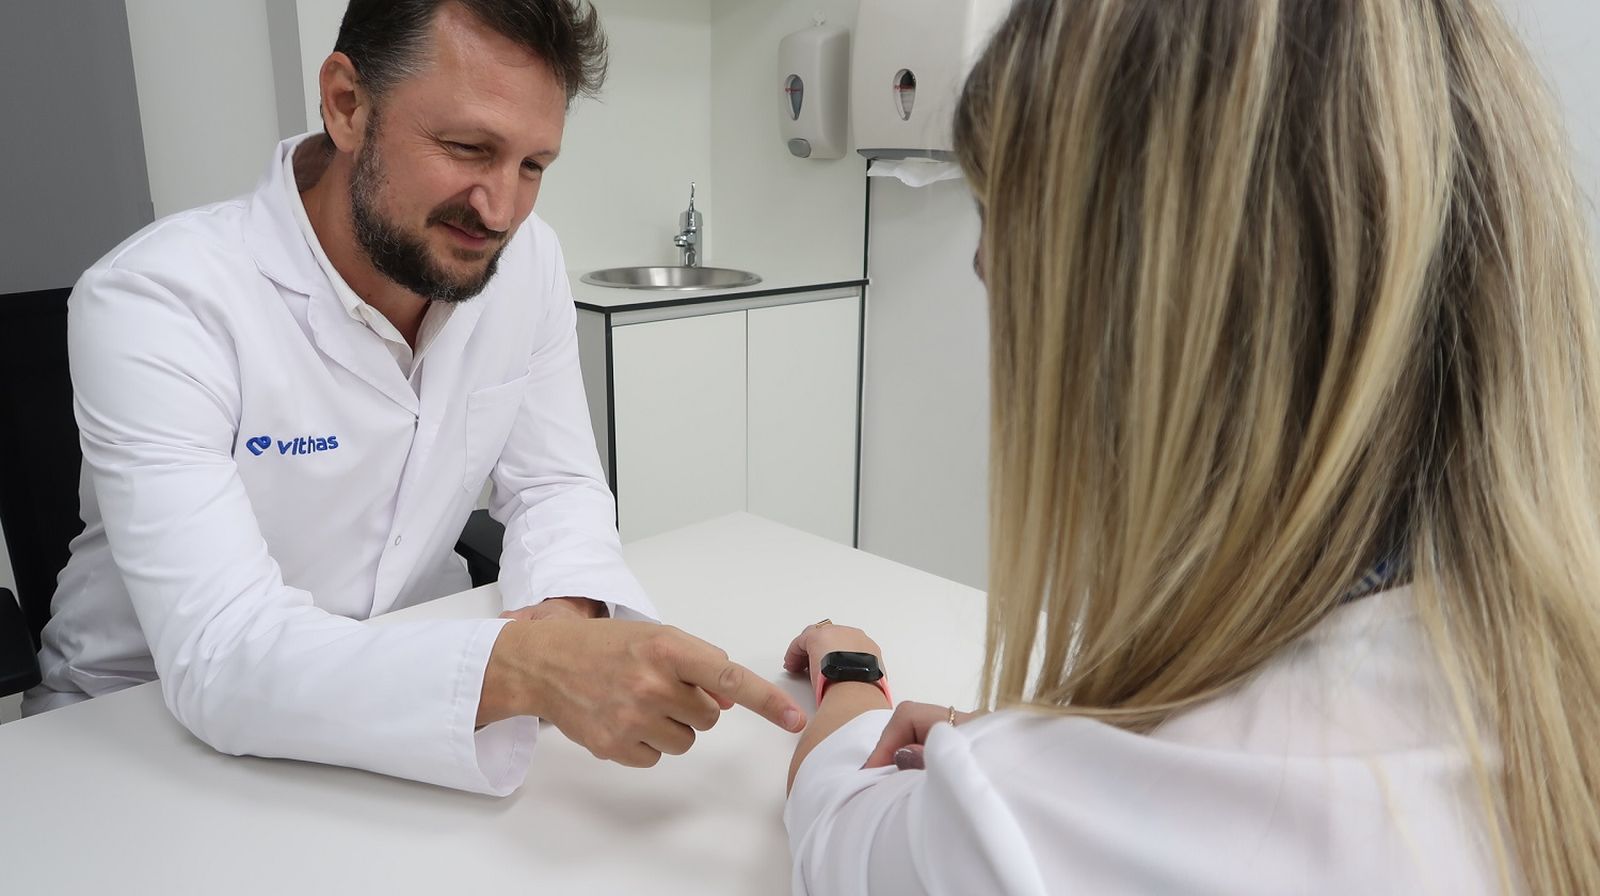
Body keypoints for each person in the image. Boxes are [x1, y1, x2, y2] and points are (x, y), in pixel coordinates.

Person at [782, 0, 1600, 892]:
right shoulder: (1551, 702)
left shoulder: (1037, 828)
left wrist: (853, 667)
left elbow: (837, 819)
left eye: (1005, 275)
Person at [22, 0, 805, 794]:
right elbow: (222, 653)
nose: (500, 209)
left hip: (417, 688)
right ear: (347, 105)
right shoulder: (160, 300)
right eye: (469, 148)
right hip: (139, 736)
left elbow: (555, 485)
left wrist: (567, 623)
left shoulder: (524, 262)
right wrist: (526, 669)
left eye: (533, 166)